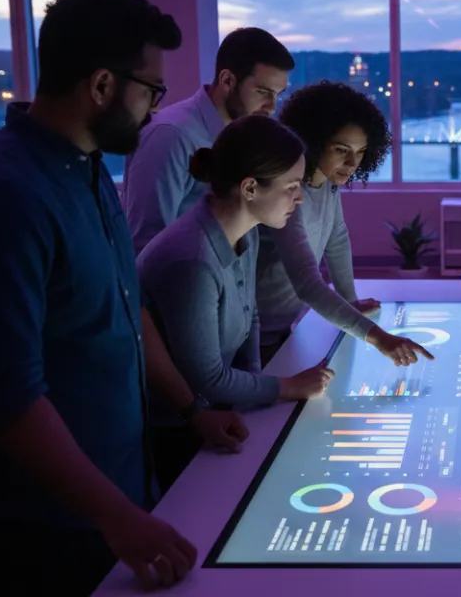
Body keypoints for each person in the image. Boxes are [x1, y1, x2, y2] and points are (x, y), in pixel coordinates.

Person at [0, 0, 248, 596]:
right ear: (101, 86)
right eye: (150, 90)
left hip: (112, 497)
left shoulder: (89, 166)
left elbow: (129, 314)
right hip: (36, 527)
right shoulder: (2, 200)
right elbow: (5, 400)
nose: (156, 108)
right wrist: (116, 517)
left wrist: (189, 409)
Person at [138, 115, 336, 490]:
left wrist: (258, 382)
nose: (300, 197)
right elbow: (206, 379)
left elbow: (250, 315)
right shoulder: (192, 261)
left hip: (220, 407)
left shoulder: (245, 230)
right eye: (292, 186)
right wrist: (286, 387)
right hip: (174, 429)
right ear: (249, 188)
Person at [123, 26, 294, 254]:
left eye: (277, 95)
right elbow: (146, 241)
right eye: (263, 93)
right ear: (227, 81)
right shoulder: (171, 136)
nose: (272, 108)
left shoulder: (243, 137)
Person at [256, 81, 391, 364]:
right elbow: (306, 280)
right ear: (314, 142)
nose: (353, 162)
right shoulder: (289, 193)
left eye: (361, 151)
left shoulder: (328, 183)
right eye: (342, 150)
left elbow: (337, 239)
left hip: (284, 327)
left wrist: (350, 303)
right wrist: (377, 336)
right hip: (254, 334)